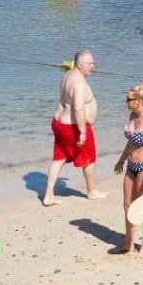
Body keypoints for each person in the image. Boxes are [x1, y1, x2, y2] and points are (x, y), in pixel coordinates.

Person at [42, 49, 106, 205]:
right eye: (90, 63)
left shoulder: (67, 75)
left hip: (59, 123)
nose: (93, 66)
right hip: (73, 127)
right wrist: (83, 131)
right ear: (79, 64)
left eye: (93, 63)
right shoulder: (79, 83)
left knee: (59, 158)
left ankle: (49, 195)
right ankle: (91, 191)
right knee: (89, 157)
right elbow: (78, 108)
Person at [111, 83, 143, 256]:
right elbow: (131, 143)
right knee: (127, 205)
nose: (126, 101)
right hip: (131, 167)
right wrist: (121, 161)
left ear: (138, 101)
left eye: (129, 99)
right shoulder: (133, 116)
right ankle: (128, 243)